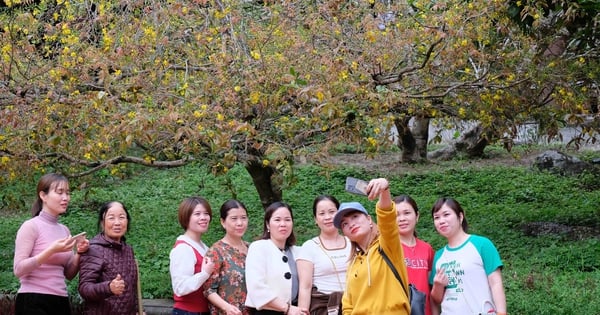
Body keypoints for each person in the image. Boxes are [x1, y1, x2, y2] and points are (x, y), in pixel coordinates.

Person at [13, 173, 89, 315]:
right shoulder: (30, 226)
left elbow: (69, 274)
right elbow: (18, 269)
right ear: (43, 196)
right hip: (33, 299)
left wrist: (79, 253)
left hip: (60, 300)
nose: (65, 198)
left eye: (67, 193)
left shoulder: (64, 230)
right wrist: (51, 250)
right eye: (59, 192)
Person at [333, 178, 410, 315]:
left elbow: (387, 218)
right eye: (344, 224)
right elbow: (347, 306)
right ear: (344, 233)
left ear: (369, 220)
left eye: (355, 216)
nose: (351, 224)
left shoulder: (387, 245)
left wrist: (384, 190)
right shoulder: (353, 265)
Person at [429, 197, 507, 315]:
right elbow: (436, 299)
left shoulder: (481, 244)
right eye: (437, 217)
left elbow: (495, 283)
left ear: (460, 217)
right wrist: (438, 285)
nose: (441, 221)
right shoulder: (439, 256)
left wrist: (502, 313)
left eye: (446, 214)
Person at [78, 201, 144, 315]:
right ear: (102, 223)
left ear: (127, 221)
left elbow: (131, 291)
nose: (117, 223)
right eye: (111, 218)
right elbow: (84, 288)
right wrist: (108, 288)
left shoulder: (128, 249)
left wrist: (137, 310)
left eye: (122, 217)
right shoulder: (94, 250)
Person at [245, 201, 308, 315]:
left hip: (295, 310)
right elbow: (256, 287)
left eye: (287, 220)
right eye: (277, 220)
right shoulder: (258, 247)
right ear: (268, 224)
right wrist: (286, 308)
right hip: (267, 311)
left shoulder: (298, 252)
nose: (283, 224)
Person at [297, 195, 350, 315]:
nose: (328, 217)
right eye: (322, 213)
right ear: (316, 219)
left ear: (340, 214)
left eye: (332, 212)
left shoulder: (353, 242)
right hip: (324, 308)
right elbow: (305, 287)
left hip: (356, 305)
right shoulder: (309, 247)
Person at [203, 199, 250, 315]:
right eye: (234, 219)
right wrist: (227, 308)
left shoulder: (252, 248)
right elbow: (208, 290)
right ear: (223, 222)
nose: (240, 223)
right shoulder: (216, 251)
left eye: (243, 218)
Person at [170, 196, 215, 315]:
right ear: (186, 217)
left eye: (206, 213)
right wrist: (204, 274)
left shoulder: (203, 246)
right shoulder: (183, 248)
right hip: (187, 311)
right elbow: (180, 288)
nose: (203, 218)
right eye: (197, 214)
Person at [394, 195, 434, 315]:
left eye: (407, 213)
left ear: (417, 216)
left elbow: (430, 286)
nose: (402, 218)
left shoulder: (427, 249)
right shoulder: (388, 248)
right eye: (396, 215)